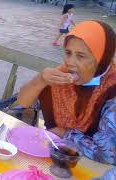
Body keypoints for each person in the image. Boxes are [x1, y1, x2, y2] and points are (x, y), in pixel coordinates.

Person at [18, 20, 116, 165]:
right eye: (68, 53)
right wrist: (39, 81)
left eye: (81, 56)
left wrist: (66, 134)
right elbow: (22, 104)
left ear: (101, 58)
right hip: (54, 156)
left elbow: (108, 155)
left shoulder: (112, 90)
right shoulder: (61, 75)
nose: (70, 62)